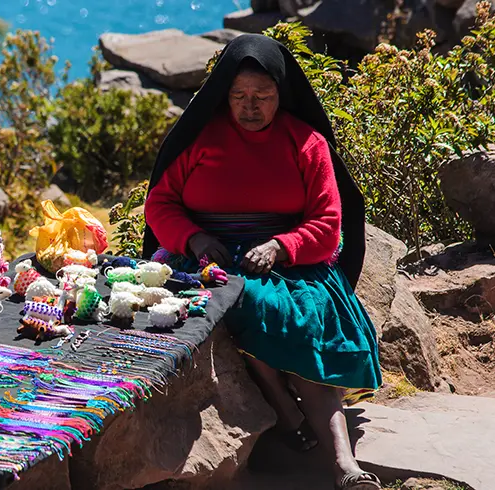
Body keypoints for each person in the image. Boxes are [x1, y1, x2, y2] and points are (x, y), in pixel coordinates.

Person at [143, 34, 383, 490]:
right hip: (205, 261)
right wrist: (194, 239)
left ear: (281, 93)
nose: (249, 106)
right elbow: (162, 204)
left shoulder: (305, 141)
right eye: (238, 96)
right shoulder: (200, 138)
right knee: (245, 300)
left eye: (262, 96)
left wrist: (281, 246)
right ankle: (290, 414)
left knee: (297, 316)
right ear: (223, 95)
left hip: (287, 264)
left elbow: (328, 221)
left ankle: (342, 465)